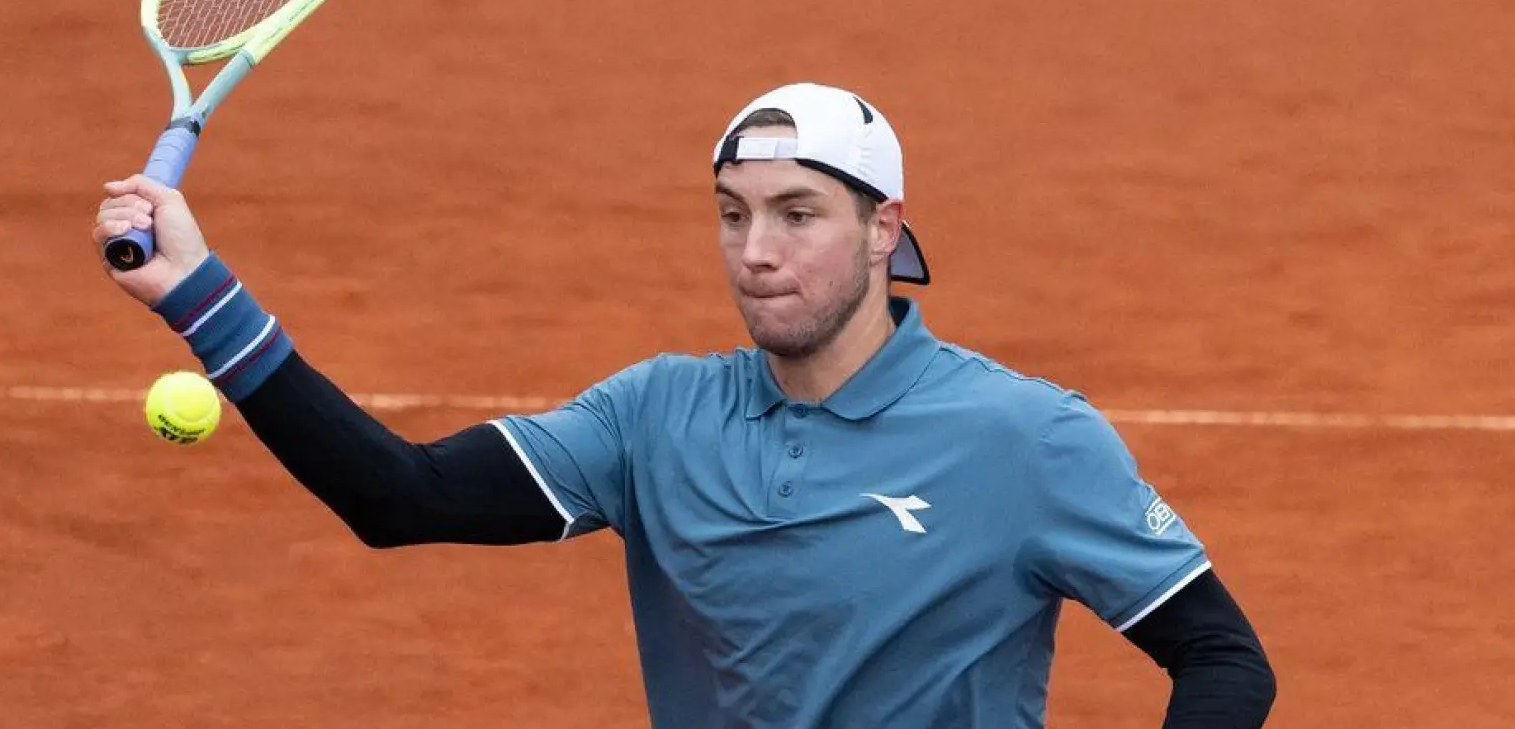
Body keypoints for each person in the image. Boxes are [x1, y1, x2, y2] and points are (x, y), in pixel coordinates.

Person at [93, 82, 1275, 728]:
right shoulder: (655, 418)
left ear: (883, 231)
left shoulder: (1022, 438)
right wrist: (199, 295)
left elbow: (1222, 661)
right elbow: (397, 498)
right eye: (730, 212)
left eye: (797, 214)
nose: (754, 251)